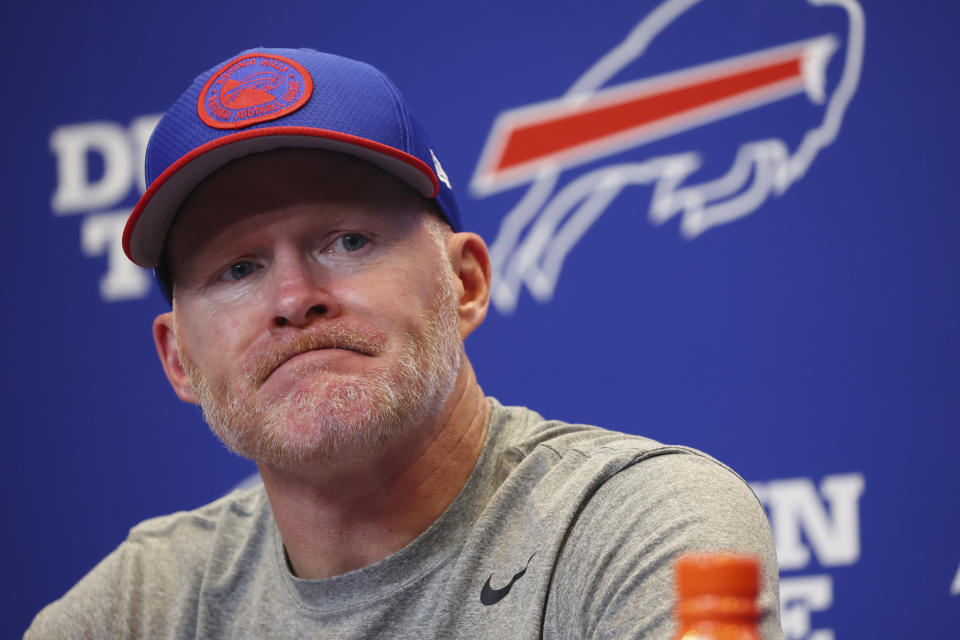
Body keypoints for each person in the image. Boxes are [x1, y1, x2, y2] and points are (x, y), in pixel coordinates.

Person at [27, 48, 782, 639]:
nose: (293, 299)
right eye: (238, 268)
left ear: (467, 283)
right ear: (177, 359)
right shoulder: (138, 608)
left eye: (348, 239)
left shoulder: (637, 526)